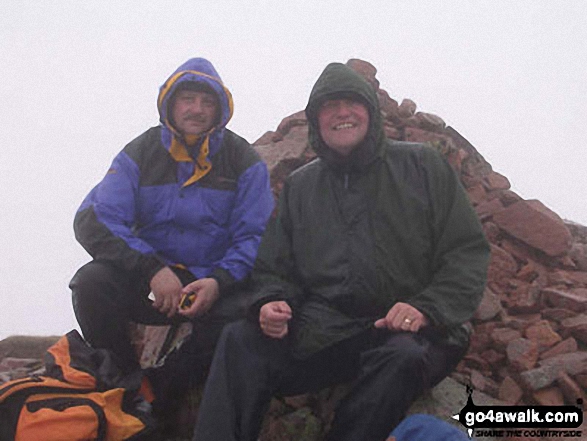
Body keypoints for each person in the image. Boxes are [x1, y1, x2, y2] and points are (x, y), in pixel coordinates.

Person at [193, 62, 490, 441]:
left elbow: (466, 252)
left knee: (402, 358)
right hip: (327, 330)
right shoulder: (302, 186)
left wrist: (426, 307)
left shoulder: (421, 164)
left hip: (411, 332)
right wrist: (271, 301)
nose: (342, 114)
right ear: (316, 123)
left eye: (352, 103)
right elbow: (275, 267)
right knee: (240, 339)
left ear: (370, 111)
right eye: (329, 107)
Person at [69, 57, 274, 423]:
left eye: (207, 102)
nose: (196, 109)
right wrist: (150, 268)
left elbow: (254, 236)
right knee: (91, 283)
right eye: (188, 99)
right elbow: (96, 218)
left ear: (220, 109)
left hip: (209, 284)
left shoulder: (243, 161)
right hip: (147, 277)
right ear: (170, 103)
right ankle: (125, 383)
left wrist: (218, 281)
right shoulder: (142, 151)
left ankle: (162, 394)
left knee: (243, 319)